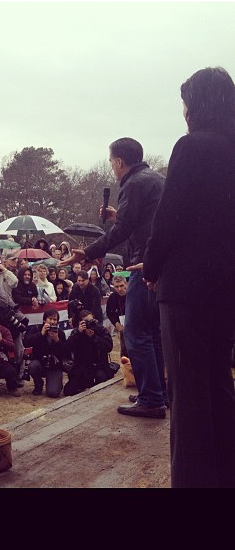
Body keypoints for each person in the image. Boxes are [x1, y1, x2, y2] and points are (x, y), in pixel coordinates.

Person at [142, 66, 235, 487]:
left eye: (185, 103)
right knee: (219, 382)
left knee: (189, 393)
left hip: (186, 290)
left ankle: (193, 481)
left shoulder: (192, 147)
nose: (182, 112)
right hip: (227, 290)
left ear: (196, 105)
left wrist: (152, 265)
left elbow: (169, 218)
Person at [60, 136, 167, 418]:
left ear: (119, 162)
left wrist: (86, 253)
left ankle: (152, 398)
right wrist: (118, 216)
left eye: (111, 162)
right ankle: (158, 391)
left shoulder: (133, 183)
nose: (111, 168)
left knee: (135, 331)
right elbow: (142, 223)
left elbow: (122, 233)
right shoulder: (156, 179)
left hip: (141, 267)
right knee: (153, 332)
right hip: (156, 264)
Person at [63, 309, 115, 397]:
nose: (89, 324)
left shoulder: (100, 330)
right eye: (86, 322)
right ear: (80, 323)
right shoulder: (77, 332)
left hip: (99, 366)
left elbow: (108, 347)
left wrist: (94, 337)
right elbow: (67, 348)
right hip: (83, 367)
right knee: (69, 390)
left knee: (101, 380)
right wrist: (78, 332)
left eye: (91, 320)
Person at [24, 308, 70, 397]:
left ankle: (53, 382)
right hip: (40, 362)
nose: (52, 322)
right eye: (50, 319)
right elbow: (26, 343)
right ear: (44, 320)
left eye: (55, 319)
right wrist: (41, 334)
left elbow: (64, 354)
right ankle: (38, 384)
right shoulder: (37, 329)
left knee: (53, 393)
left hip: (54, 365)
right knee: (33, 365)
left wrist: (57, 340)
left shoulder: (60, 333)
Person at [105, 274, 128, 357]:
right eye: (116, 287)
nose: (119, 289)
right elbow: (109, 312)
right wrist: (116, 324)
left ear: (126, 284)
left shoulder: (133, 294)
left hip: (137, 325)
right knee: (125, 352)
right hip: (122, 325)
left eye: (122, 286)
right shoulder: (113, 297)